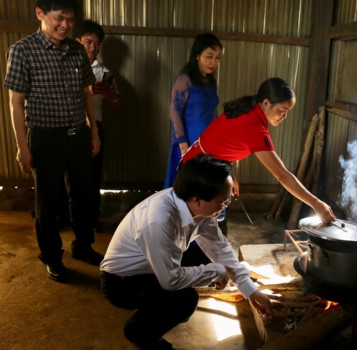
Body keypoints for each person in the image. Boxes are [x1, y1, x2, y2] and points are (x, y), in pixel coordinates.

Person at [100, 154, 273, 350]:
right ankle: (139, 330)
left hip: (151, 265)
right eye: (223, 201)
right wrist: (215, 271)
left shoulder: (197, 207)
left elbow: (220, 248)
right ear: (198, 199)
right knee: (184, 300)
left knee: (205, 258)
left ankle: (152, 311)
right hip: (122, 281)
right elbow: (170, 280)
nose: (225, 205)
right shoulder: (159, 221)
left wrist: (251, 291)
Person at [4, 0, 103, 282]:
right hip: (45, 138)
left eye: (70, 19)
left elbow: (86, 93)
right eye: (59, 18)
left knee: (84, 195)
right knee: (49, 202)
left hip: (78, 135)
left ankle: (83, 247)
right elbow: (15, 103)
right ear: (40, 14)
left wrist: (93, 131)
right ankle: (52, 257)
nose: (65, 25)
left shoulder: (75, 50)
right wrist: (22, 147)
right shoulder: (22, 51)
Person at [182, 77, 337, 225]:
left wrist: (231, 174)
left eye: (287, 111)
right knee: (200, 228)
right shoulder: (254, 128)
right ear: (266, 103)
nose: (284, 116)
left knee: (210, 227)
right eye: (282, 110)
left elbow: (224, 145)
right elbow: (282, 175)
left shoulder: (249, 108)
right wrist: (316, 204)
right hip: (196, 176)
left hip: (198, 166)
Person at [74, 19, 121, 233]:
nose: (93, 48)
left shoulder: (104, 71)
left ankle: (92, 219)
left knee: (93, 178)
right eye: (88, 42)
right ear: (78, 41)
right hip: (72, 128)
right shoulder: (68, 68)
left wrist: (110, 95)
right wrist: (86, 92)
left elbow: (116, 103)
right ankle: (73, 219)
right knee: (73, 178)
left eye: (97, 43)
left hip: (96, 129)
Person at [164, 33, 222, 189]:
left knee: (204, 191)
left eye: (217, 57)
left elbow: (213, 113)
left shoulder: (210, 82)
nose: (213, 62)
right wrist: (184, 147)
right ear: (197, 55)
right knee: (185, 191)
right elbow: (174, 112)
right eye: (209, 56)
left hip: (207, 144)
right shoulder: (185, 79)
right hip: (188, 144)